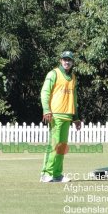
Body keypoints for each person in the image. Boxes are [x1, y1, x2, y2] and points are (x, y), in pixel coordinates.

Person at [40, 51, 81, 183]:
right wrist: (46, 109)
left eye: (69, 60)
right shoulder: (53, 74)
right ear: (60, 60)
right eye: (64, 59)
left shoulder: (73, 77)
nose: (67, 62)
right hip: (55, 115)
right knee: (54, 145)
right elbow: (45, 92)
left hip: (67, 115)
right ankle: (46, 173)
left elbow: (74, 98)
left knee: (62, 147)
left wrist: (76, 117)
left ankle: (57, 174)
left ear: (72, 62)